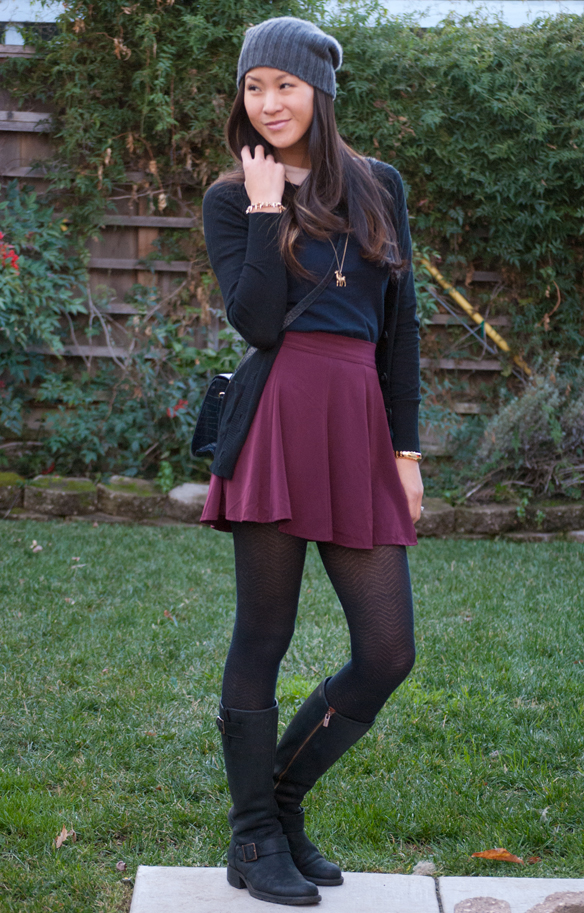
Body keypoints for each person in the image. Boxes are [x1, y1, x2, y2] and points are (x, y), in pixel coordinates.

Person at [198, 15, 424, 907]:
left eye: (284, 85)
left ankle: (279, 805)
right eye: (254, 87)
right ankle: (253, 839)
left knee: (388, 649)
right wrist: (263, 209)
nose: (268, 103)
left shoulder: (379, 186)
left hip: (358, 422)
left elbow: (399, 329)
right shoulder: (230, 197)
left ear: (320, 92)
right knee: (265, 631)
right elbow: (254, 322)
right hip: (275, 421)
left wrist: (406, 449)